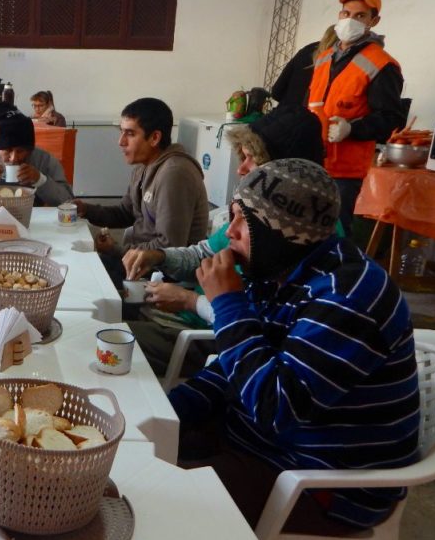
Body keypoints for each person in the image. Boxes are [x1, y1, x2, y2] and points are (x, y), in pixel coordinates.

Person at [170, 158, 420, 533]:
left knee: (157, 508)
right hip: (257, 442)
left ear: (281, 234)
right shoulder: (278, 270)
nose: (230, 232)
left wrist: (228, 305)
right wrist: (172, 409)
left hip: (318, 481)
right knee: (136, 447)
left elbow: (275, 406)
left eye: (243, 221)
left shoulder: (350, 296)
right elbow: (236, 365)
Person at [122, 105, 326, 376]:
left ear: (283, 176)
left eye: (251, 159)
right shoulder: (249, 218)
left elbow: (260, 330)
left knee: (102, 340)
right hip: (194, 322)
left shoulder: (297, 241)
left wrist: (190, 301)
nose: (241, 169)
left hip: (210, 338)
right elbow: (204, 251)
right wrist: (161, 256)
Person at [72, 97, 209, 292]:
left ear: (154, 138)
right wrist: (85, 209)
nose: (121, 142)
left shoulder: (175, 173)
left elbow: (169, 247)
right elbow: (125, 212)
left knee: (84, 281)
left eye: (130, 134)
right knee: (80, 267)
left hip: (164, 277)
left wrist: (116, 250)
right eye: (121, 132)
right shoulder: (143, 167)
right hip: (137, 263)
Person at [308, 0, 406, 237]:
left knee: (334, 235)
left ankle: (337, 276)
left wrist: (352, 128)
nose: (350, 20)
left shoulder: (382, 65)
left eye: (360, 16)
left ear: (374, 21)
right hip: (311, 161)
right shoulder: (325, 58)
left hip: (345, 171)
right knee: (305, 229)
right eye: (345, 13)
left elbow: (391, 120)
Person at [0, 104, 73, 206]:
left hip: (31, 219)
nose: (14, 158)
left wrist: (40, 180)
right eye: (7, 151)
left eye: (21, 151)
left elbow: (68, 201)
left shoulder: (43, 159)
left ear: (30, 149)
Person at [270, 25, 338, 106]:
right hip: (310, 116)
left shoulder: (307, 50)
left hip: (284, 114)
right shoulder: (339, 63)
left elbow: (276, 91)